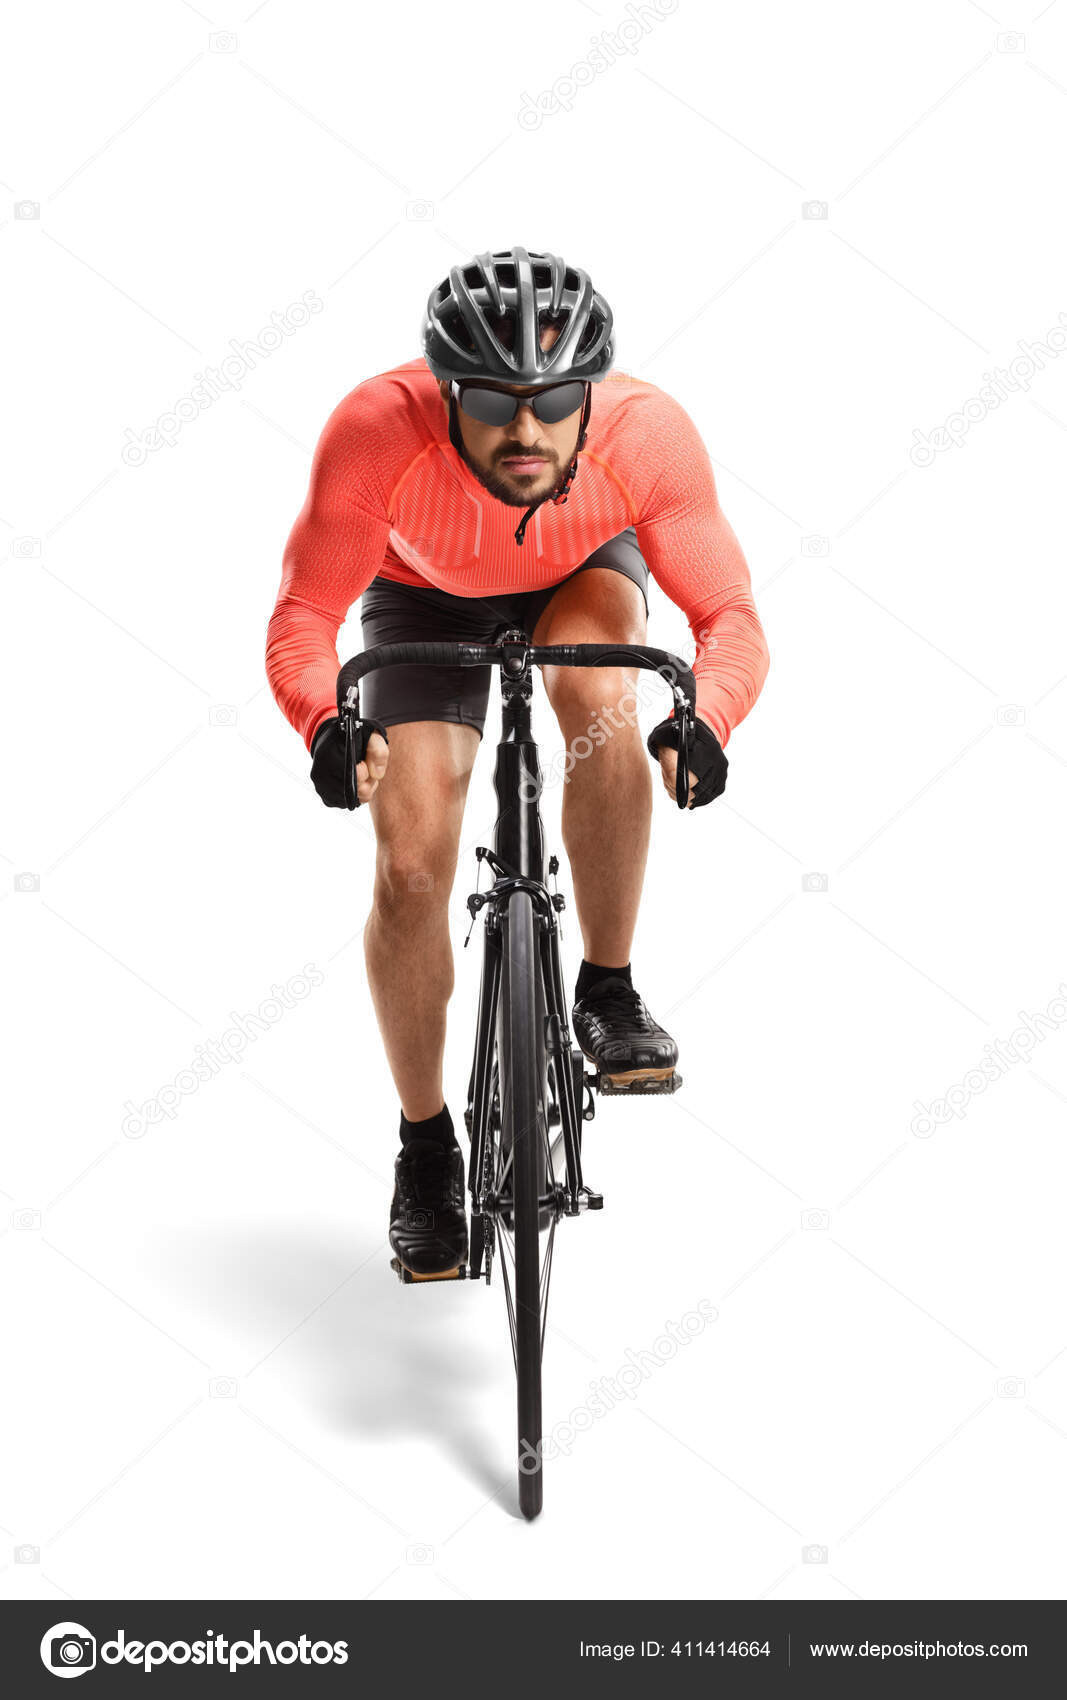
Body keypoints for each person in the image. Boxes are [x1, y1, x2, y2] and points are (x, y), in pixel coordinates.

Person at [267, 245, 769, 1279]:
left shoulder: (647, 435)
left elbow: (726, 616)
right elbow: (305, 615)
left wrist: (709, 720)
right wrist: (324, 720)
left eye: (553, 400)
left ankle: (607, 987)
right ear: (447, 391)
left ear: (592, 393)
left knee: (600, 694)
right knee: (409, 867)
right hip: (422, 595)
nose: (526, 429)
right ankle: (424, 1148)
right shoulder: (375, 432)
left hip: (579, 573)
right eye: (493, 401)